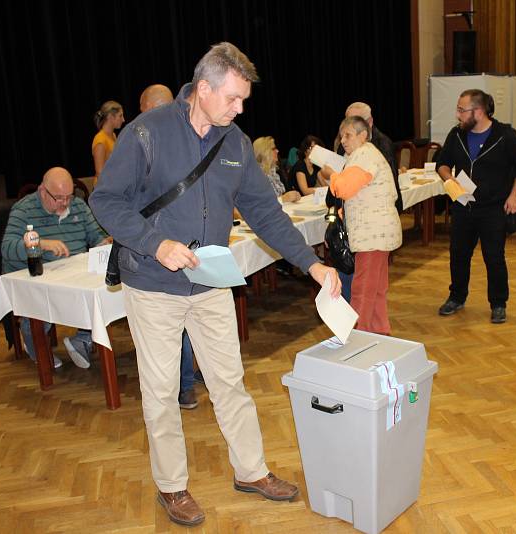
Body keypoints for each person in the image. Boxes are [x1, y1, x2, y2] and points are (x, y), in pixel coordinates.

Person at [89, 42, 341, 527]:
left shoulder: (235, 143)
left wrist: (312, 265)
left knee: (230, 383)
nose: (239, 108)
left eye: (243, 100)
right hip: (153, 285)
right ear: (202, 89)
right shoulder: (147, 133)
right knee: (162, 391)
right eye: (232, 98)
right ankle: (172, 486)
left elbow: (265, 212)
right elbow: (107, 202)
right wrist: (154, 243)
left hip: (209, 285)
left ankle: (251, 471)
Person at [435, 89, 516, 324]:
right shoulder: (456, 135)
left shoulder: (505, 135)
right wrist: (448, 178)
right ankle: (456, 297)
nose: (458, 115)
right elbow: (442, 163)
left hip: (493, 209)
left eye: (461, 110)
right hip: (462, 205)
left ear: (478, 111)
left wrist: (514, 196)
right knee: (458, 255)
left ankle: (498, 303)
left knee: (494, 258)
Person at [2, 167, 109, 369]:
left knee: (103, 294)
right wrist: (39, 244)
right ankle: (35, 345)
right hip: (35, 274)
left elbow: (95, 236)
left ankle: (82, 339)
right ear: (43, 191)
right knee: (40, 303)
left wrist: (103, 242)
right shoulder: (23, 210)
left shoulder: (78, 206)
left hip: (73, 271)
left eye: (68, 197)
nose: (65, 203)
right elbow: (7, 248)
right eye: (59, 198)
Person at [138, 83, 199, 410]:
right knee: (177, 323)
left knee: (177, 322)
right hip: (159, 250)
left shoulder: (163, 143)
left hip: (168, 251)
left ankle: (184, 385)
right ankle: (182, 384)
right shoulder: (142, 143)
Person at [324, 116, 401, 334]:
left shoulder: (364, 154)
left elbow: (345, 188)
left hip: (372, 235)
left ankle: (357, 336)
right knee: (375, 288)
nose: (343, 141)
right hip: (378, 233)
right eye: (341, 137)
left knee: (362, 289)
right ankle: (380, 332)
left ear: (363, 135)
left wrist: (331, 175)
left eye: (348, 135)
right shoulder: (365, 154)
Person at [253, 136, 301, 203]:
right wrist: (283, 199)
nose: (277, 151)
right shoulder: (256, 175)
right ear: (265, 152)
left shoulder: (273, 171)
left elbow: (280, 195)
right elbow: (261, 204)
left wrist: (292, 196)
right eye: (274, 149)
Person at [92, 101, 125, 184]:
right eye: (120, 116)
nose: (123, 120)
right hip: (104, 189)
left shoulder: (113, 135)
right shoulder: (100, 140)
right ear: (110, 117)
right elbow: (100, 173)